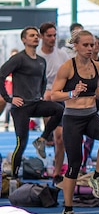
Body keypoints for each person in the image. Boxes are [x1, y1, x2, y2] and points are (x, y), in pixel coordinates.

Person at [50, 30, 99, 214]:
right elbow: (53, 95)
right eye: (85, 45)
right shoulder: (67, 68)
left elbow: (94, 91)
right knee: (74, 165)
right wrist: (71, 92)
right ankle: (68, 211)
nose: (90, 48)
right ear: (75, 46)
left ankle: (96, 176)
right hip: (73, 119)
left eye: (92, 45)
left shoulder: (97, 66)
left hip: (91, 115)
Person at [0, 27, 64, 179]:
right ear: (24, 40)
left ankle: (42, 139)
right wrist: (9, 98)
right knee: (21, 144)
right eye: (31, 35)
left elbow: (43, 81)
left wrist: (40, 95)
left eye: (36, 35)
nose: (35, 37)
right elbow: (1, 75)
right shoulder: (19, 59)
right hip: (20, 106)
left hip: (35, 103)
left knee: (58, 109)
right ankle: (14, 177)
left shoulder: (41, 61)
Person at [37, 22, 69, 180]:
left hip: (59, 96)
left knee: (61, 138)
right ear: (42, 36)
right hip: (43, 97)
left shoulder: (62, 55)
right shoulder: (37, 56)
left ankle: (57, 172)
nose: (52, 38)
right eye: (49, 35)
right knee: (48, 96)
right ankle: (45, 134)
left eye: (55, 35)